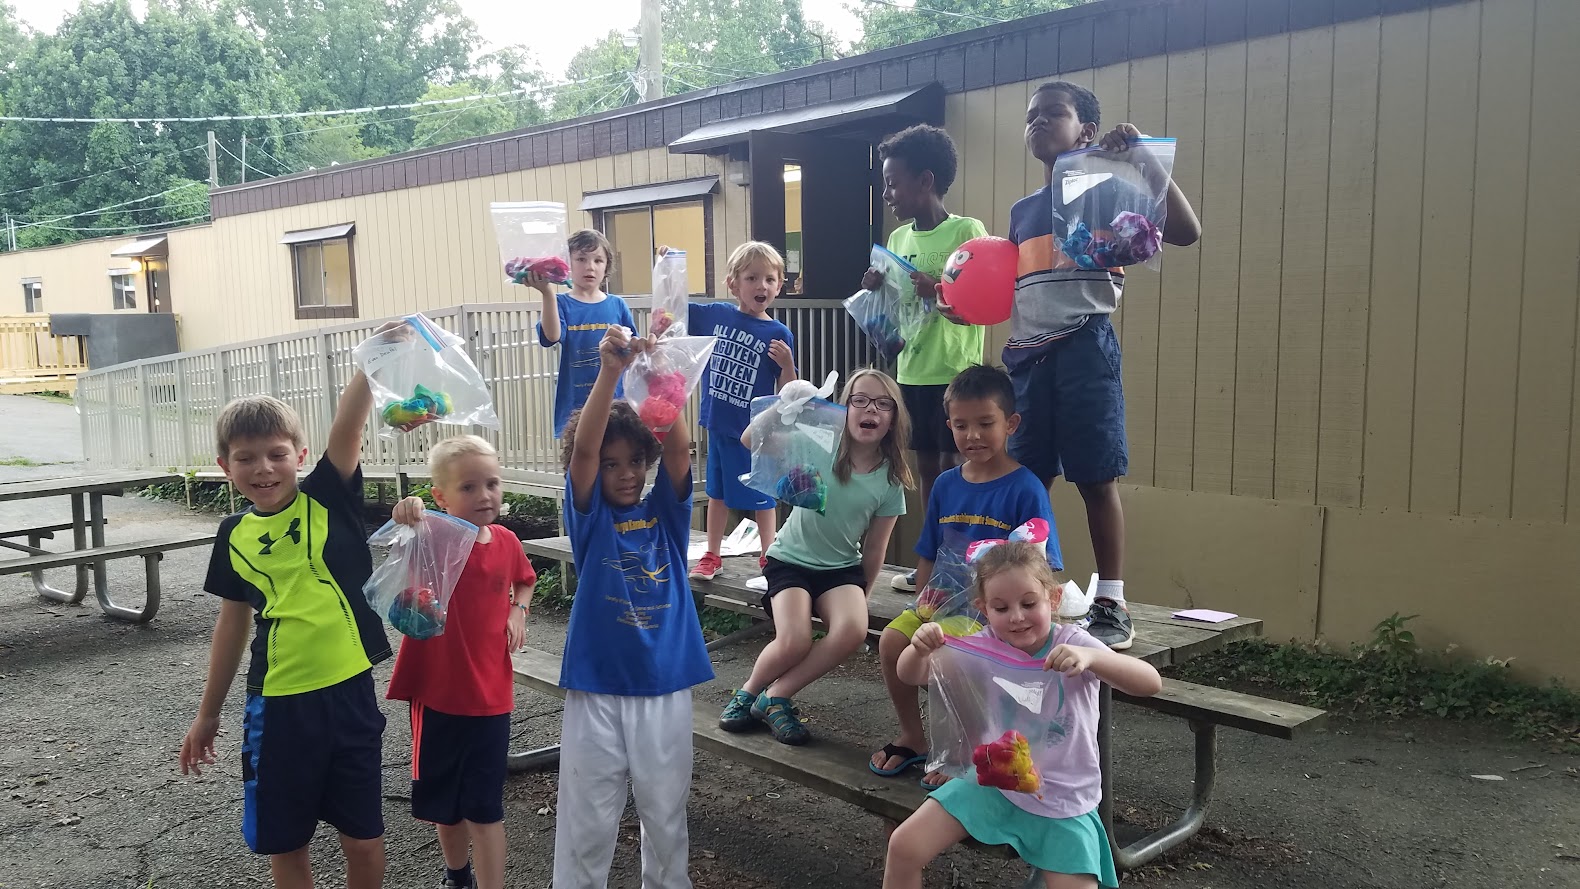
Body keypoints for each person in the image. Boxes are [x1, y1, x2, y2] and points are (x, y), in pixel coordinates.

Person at [178, 336, 402, 889]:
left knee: (365, 839)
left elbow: (348, 428)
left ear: (299, 457)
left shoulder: (327, 496)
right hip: (277, 706)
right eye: (246, 458)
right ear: (224, 466)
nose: (264, 468)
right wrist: (209, 713)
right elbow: (232, 625)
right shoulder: (233, 535)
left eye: (277, 453)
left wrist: (374, 357)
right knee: (288, 842)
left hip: (350, 695)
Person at [994, 81, 1202, 650]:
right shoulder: (1022, 212)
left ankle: (1110, 599)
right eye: (1031, 116)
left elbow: (1185, 232)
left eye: (1052, 114)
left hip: (1086, 346)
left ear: (1085, 130)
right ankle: (1022, 598)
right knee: (1028, 479)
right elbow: (1005, 290)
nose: (1037, 122)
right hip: (1029, 358)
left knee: (1095, 476)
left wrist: (1142, 158)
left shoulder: (1111, 188)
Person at [882, 540, 1161, 889]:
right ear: (983, 608)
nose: (1016, 616)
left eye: (1029, 603)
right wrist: (918, 649)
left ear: (1053, 599)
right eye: (1001, 608)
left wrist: (1093, 658)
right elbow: (912, 674)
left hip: (1062, 799)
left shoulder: (1073, 641)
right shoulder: (984, 644)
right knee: (904, 845)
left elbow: (1151, 683)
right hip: (994, 784)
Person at [554, 324, 713, 889]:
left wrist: (661, 370)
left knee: (664, 815)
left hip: (665, 683)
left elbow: (676, 444)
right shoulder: (590, 521)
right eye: (613, 464)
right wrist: (612, 372)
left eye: (634, 462)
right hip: (597, 684)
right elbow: (585, 450)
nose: (624, 474)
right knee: (588, 816)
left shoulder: (666, 516)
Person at [870, 364, 1060, 789]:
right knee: (892, 640)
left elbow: (1039, 562)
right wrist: (921, 604)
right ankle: (914, 736)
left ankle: (971, 751)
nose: (972, 435)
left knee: (944, 652)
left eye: (985, 423)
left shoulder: (1026, 488)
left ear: (1011, 423)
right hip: (942, 602)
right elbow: (929, 553)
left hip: (992, 612)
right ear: (948, 426)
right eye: (961, 425)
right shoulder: (945, 485)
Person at [719, 369, 915, 745]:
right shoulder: (819, 443)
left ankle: (775, 696)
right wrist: (785, 402)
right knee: (795, 640)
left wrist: (861, 595)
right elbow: (750, 439)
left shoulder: (890, 479)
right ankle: (748, 691)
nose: (870, 408)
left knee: (853, 630)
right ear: (844, 408)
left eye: (882, 403)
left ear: (892, 419)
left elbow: (874, 549)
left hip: (841, 570)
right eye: (860, 400)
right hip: (789, 560)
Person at [384, 435, 537, 889]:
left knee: (486, 808)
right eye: (468, 487)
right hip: (436, 696)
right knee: (445, 807)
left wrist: (518, 610)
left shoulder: (507, 541)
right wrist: (406, 509)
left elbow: (525, 581)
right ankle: (457, 876)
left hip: (491, 696)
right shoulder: (430, 534)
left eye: (492, 483)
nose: (484, 495)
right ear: (440, 497)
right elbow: (404, 524)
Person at [859, 124, 990, 594]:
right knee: (929, 472)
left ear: (926, 181)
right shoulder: (896, 240)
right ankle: (934, 565)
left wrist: (936, 289)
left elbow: (980, 304)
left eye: (894, 183)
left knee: (964, 468)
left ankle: (967, 566)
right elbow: (895, 313)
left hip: (956, 375)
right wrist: (877, 291)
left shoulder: (967, 231)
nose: (888, 193)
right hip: (910, 371)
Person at [685, 241, 797, 581]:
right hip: (718, 424)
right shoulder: (716, 315)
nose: (761, 286)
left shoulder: (779, 333)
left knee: (762, 494)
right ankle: (712, 554)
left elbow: (788, 391)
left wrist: (788, 363)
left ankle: (769, 555)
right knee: (716, 494)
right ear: (733, 283)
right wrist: (670, 265)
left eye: (769, 279)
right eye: (751, 278)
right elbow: (675, 308)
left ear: (779, 285)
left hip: (756, 431)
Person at [528, 228, 637, 438]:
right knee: (582, 462)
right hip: (576, 407)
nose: (590, 267)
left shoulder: (617, 304)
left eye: (598, 260)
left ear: (607, 267)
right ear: (566, 265)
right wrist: (547, 292)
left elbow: (633, 351)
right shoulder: (561, 303)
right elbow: (551, 336)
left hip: (617, 403)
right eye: (581, 259)